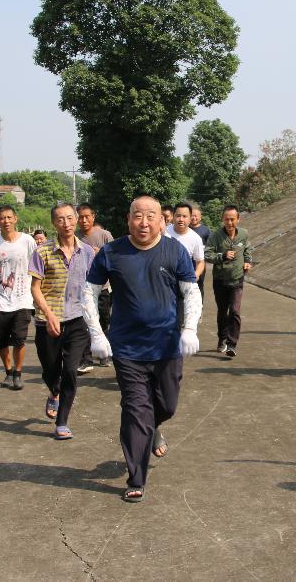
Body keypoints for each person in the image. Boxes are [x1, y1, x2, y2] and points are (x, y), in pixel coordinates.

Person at [82, 195, 202, 503]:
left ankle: (155, 426)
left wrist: (189, 329)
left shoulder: (175, 251)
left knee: (168, 405)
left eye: (151, 216)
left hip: (167, 346)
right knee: (136, 410)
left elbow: (191, 292)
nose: (144, 222)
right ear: (128, 219)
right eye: (138, 215)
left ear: (162, 221)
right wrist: (97, 334)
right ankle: (136, 477)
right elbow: (88, 293)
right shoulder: (112, 252)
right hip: (127, 349)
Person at [29, 203, 95, 439]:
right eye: (60, 219)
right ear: (53, 223)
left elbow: (91, 286)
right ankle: (54, 391)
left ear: (75, 220)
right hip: (47, 321)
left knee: (70, 371)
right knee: (50, 370)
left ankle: (62, 421)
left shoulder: (86, 252)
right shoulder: (42, 252)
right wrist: (49, 315)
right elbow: (35, 288)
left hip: (77, 319)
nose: (66, 223)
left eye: (69, 218)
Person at [0, 205, 38, 390]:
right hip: (0, 300)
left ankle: (18, 373)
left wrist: (37, 288)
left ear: (15, 219)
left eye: (9, 217)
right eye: (2, 218)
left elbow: (37, 264)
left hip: (23, 299)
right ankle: (8, 371)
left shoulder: (27, 240)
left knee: (19, 339)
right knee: (1, 341)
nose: (6, 221)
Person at [205, 205, 252, 356]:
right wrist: (222, 256)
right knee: (222, 312)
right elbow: (207, 255)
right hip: (220, 280)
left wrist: (247, 261)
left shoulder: (244, 234)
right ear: (222, 219)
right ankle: (222, 339)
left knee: (235, 311)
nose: (229, 222)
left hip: (237, 280)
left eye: (232, 219)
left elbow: (247, 249)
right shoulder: (215, 236)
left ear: (238, 219)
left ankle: (232, 345)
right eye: (226, 219)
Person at [76, 202, 114, 369]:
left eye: (87, 217)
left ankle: (104, 354)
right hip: (82, 288)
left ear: (93, 217)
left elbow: (115, 258)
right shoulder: (74, 237)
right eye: (80, 217)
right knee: (84, 323)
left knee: (103, 320)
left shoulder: (104, 235)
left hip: (102, 286)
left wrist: (101, 254)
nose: (84, 220)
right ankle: (86, 359)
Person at [165, 202, 206, 327]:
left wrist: (195, 275)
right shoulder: (164, 232)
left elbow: (200, 261)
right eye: (178, 216)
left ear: (190, 218)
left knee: (177, 320)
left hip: (181, 283)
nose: (181, 219)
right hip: (163, 280)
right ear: (173, 216)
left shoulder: (195, 238)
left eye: (184, 216)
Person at [189, 203, 213, 300]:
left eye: (196, 216)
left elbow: (210, 245)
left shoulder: (205, 230)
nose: (194, 218)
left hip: (199, 262)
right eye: (192, 216)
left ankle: (200, 305)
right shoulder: (185, 228)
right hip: (186, 262)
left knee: (199, 285)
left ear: (200, 217)